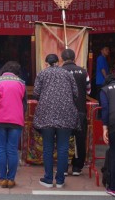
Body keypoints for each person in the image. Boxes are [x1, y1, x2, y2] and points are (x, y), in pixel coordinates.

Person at [33, 53, 78, 189]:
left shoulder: (42, 74)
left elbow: (36, 93)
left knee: (48, 147)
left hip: (46, 114)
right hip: (66, 114)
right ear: (58, 62)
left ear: (46, 63)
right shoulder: (67, 74)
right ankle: (60, 180)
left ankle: (48, 179)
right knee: (63, 148)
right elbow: (76, 93)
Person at [0, 61, 27, 188]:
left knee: (1, 149)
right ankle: (11, 179)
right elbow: (24, 104)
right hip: (16, 120)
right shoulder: (22, 83)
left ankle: (2, 179)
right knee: (12, 149)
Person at [60, 48, 90, 176]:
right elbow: (88, 90)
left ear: (62, 59)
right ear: (74, 58)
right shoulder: (83, 72)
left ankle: (64, 167)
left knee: (63, 139)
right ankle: (77, 167)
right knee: (80, 138)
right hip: (80, 109)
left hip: (63, 110)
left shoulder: (60, 72)